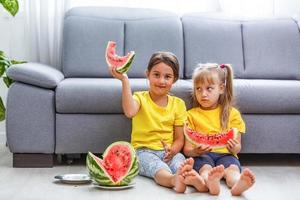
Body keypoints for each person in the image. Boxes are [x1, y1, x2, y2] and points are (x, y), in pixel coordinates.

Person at [108, 51, 188, 193]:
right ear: (147, 74)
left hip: (168, 152)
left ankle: (192, 179)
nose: (161, 81)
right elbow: (130, 112)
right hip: (143, 152)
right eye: (156, 75)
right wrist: (124, 80)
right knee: (157, 168)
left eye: (167, 76)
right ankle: (172, 180)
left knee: (181, 163)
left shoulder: (179, 104)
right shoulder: (140, 97)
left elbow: (179, 138)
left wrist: (173, 150)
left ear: (174, 79)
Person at [181, 63, 255, 196]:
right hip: (202, 155)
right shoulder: (190, 115)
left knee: (232, 170)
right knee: (205, 169)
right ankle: (211, 182)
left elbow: (238, 148)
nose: (203, 94)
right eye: (198, 89)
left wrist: (234, 148)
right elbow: (187, 150)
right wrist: (195, 151)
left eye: (209, 88)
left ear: (221, 88)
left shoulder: (232, 114)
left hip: (226, 154)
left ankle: (238, 184)